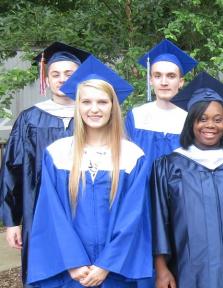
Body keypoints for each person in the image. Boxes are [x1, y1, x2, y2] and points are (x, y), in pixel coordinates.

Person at [26, 56, 152, 287]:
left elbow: (133, 217)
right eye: (86, 102)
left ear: (113, 106)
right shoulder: (58, 154)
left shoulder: (132, 156)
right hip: (71, 272)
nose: (94, 109)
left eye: (102, 102)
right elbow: (51, 215)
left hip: (116, 272)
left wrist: (106, 265)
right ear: (77, 105)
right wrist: (73, 263)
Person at [152, 72, 223, 288]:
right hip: (190, 269)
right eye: (202, 119)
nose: (210, 125)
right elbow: (160, 220)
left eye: (218, 119)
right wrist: (161, 268)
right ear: (191, 122)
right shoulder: (170, 165)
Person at [0, 42, 90, 284]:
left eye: (69, 74)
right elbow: (12, 169)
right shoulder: (30, 118)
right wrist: (11, 221)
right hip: (37, 210)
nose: (62, 80)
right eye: (55, 74)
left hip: (85, 210)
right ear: (46, 79)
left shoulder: (93, 115)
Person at [125, 39, 197, 164]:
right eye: (158, 76)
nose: (164, 82)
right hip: (142, 184)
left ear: (181, 82)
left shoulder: (191, 119)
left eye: (171, 76)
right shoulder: (137, 116)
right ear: (150, 80)